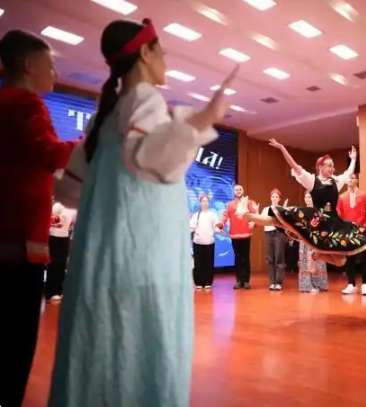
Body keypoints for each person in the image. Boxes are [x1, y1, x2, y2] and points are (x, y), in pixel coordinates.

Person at [48, 19, 237, 407]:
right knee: (140, 355)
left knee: (98, 354)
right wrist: (205, 117)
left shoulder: (105, 118)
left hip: (100, 265)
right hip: (142, 264)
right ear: (146, 54)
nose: (165, 59)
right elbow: (152, 157)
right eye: (162, 51)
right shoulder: (145, 99)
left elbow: (69, 189)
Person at [0, 29, 76, 407]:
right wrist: (94, 143)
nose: (55, 73)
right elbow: (51, 154)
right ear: (29, 65)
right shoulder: (26, 104)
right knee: (17, 337)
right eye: (51, 65)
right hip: (19, 243)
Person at [241, 139, 366, 267]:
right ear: (320, 167)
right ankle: (246, 214)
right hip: (315, 220)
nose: (333, 168)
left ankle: (317, 255)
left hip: (332, 224)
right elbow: (295, 166)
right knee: (276, 220)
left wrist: (353, 159)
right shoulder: (312, 180)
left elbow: (348, 173)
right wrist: (281, 148)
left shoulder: (336, 182)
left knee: (341, 262)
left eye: (333, 166)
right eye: (329, 165)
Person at [336, 173, 366, 295]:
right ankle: (351, 284)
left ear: (357, 180)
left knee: (364, 258)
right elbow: (339, 215)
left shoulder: (365, 194)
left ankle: (365, 284)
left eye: (353, 178)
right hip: (348, 231)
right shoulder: (341, 197)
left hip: (362, 229)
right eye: (349, 178)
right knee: (349, 258)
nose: (350, 180)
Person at [217, 184, 257, 289]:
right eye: (236, 190)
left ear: (242, 191)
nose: (238, 191)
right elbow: (225, 216)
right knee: (238, 258)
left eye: (240, 189)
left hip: (246, 233)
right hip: (234, 234)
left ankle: (246, 281)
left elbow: (254, 215)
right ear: (234, 192)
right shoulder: (230, 204)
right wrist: (221, 223)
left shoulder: (248, 202)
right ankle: (239, 280)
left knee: (245, 258)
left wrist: (253, 223)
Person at [298, 192, 329, 292]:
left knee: (318, 260)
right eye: (306, 197)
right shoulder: (301, 211)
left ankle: (319, 284)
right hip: (305, 239)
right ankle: (306, 285)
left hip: (316, 239)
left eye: (310, 197)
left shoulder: (318, 211)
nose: (308, 199)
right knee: (306, 261)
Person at [46, 202, 77, 302]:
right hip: (53, 236)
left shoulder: (72, 210)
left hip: (64, 237)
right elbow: (53, 215)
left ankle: (57, 291)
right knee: (53, 264)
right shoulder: (57, 205)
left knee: (61, 264)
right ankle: (50, 292)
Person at [190, 194, 220, 290]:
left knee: (208, 263)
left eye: (206, 201)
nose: (205, 203)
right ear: (200, 203)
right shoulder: (196, 215)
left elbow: (216, 228)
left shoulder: (213, 215)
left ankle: (208, 282)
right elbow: (191, 227)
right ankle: (198, 282)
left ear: (209, 202)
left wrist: (220, 228)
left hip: (209, 242)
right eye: (203, 201)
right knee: (198, 263)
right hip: (197, 242)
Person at [261, 189, 288, 290]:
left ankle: (278, 282)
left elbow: (285, 223)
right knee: (270, 258)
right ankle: (272, 282)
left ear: (279, 199)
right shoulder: (265, 209)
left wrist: (284, 211)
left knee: (279, 257)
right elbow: (261, 220)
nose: (274, 198)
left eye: (276, 197)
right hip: (268, 233)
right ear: (270, 198)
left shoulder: (282, 209)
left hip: (279, 233)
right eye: (273, 196)